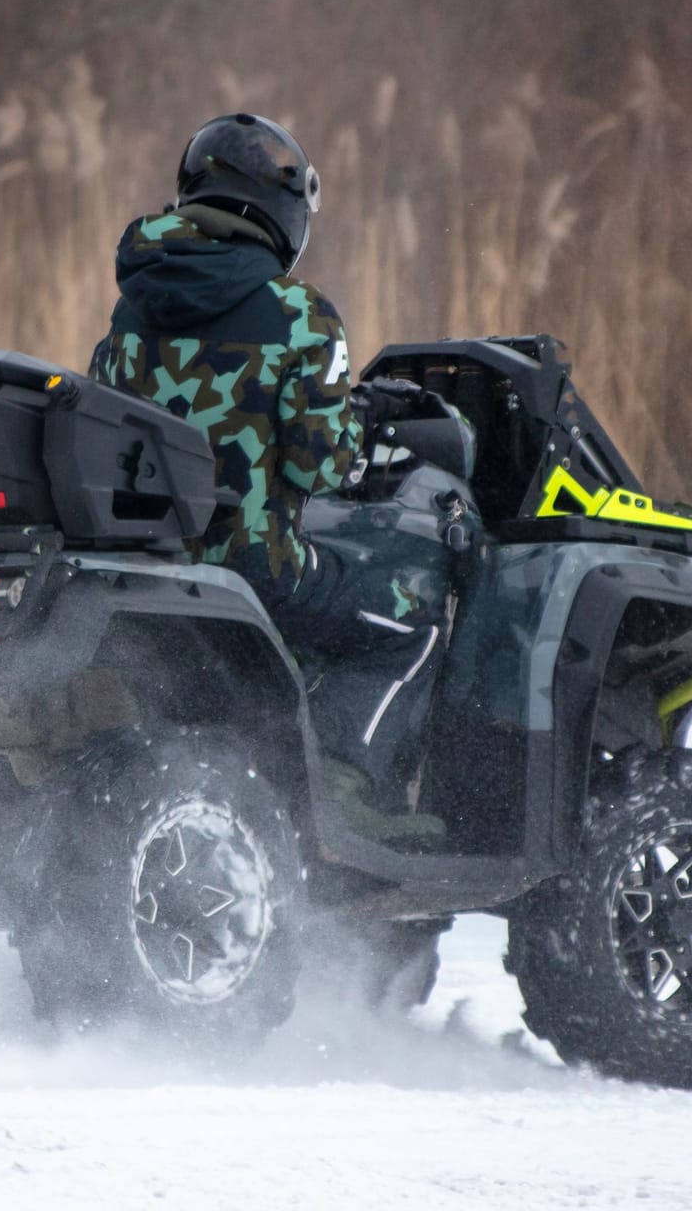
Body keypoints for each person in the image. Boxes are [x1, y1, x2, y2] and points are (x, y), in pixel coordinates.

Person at [88, 112, 446, 830]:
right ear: (280, 210)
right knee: (411, 623)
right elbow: (323, 467)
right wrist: (358, 420)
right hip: (259, 569)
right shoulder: (299, 315)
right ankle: (346, 788)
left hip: (147, 573)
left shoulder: (132, 309)